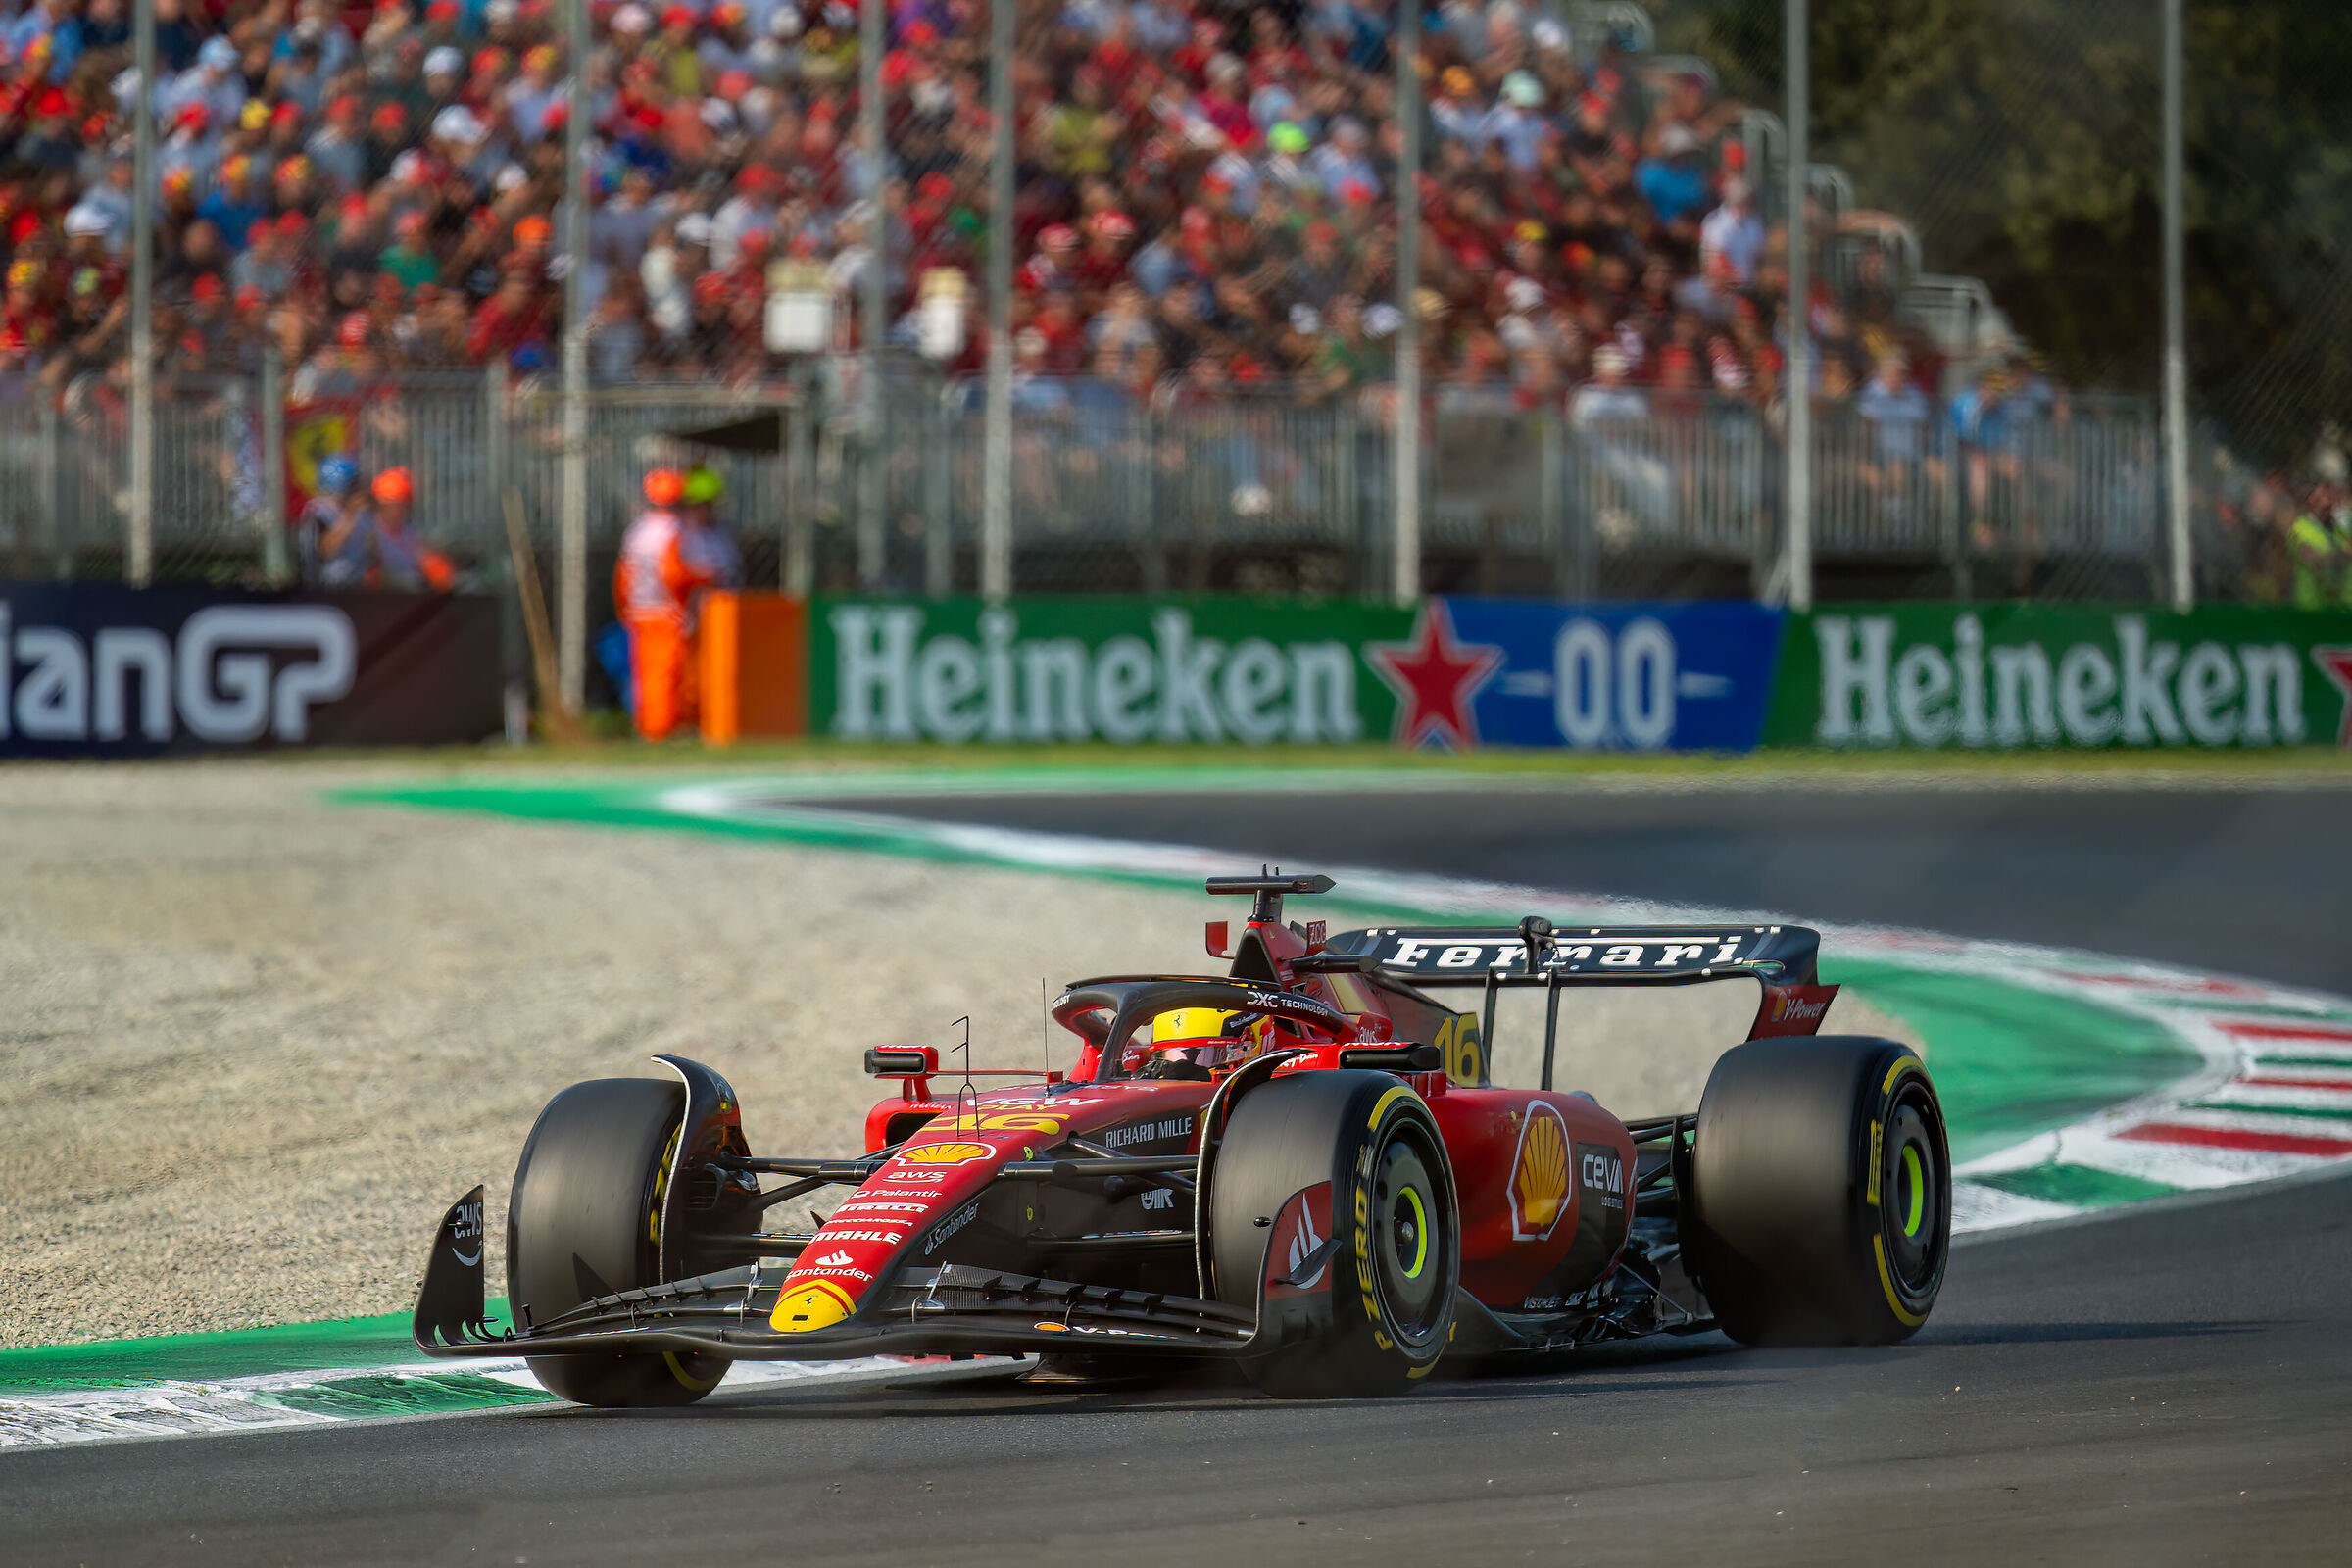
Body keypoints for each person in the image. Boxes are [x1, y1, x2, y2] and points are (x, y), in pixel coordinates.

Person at [614, 466, 717, 741]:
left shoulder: (637, 531)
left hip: (641, 609)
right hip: (667, 610)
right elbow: (674, 574)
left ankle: (654, 726)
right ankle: (662, 728)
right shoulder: (673, 530)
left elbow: (624, 574)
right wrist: (704, 578)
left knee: (648, 671)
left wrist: (625, 607)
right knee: (670, 672)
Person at [366, 466, 457, 591]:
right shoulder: (369, 530)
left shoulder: (409, 530)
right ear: (381, 505)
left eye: (403, 505)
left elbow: (426, 557)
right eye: (395, 505)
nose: (399, 511)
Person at [297, 453, 371, 586]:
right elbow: (327, 550)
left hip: (358, 585)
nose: (358, 488)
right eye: (354, 484)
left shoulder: (361, 512)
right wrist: (350, 515)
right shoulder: (318, 511)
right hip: (327, 587)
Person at [680, 466, 743, 588]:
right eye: (701, 506)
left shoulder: (721, 534)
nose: (706, 511)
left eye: (709, 505)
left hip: (720, 599)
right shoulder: (680, 534)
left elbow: (734, 568)